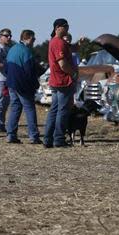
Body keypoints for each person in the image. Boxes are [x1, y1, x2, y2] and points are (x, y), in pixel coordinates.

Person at [43, 18, 78, 148]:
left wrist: (79, 44)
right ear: (58, 27)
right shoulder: (58, 43)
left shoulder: (55, 42)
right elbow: (62, 64)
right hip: (63, 81)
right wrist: (73, 74)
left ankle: (48, 139)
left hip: (56, 81)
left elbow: (73, 49)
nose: (68, 28)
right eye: (65, 26)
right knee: (62, 111)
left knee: (54, 110)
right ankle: (58, 139)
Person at [5, 30, 41, 144]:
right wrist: (35, 84)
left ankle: (10, 135)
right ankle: (33, 136)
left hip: (11, 83)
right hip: (23, 85)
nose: (34, 41)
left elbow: (6, 67)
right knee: (29, 109)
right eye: (33, 39)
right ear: (28, 38)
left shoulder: (12, 49)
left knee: (15, 107)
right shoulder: (26, 51)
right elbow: (29, 71)